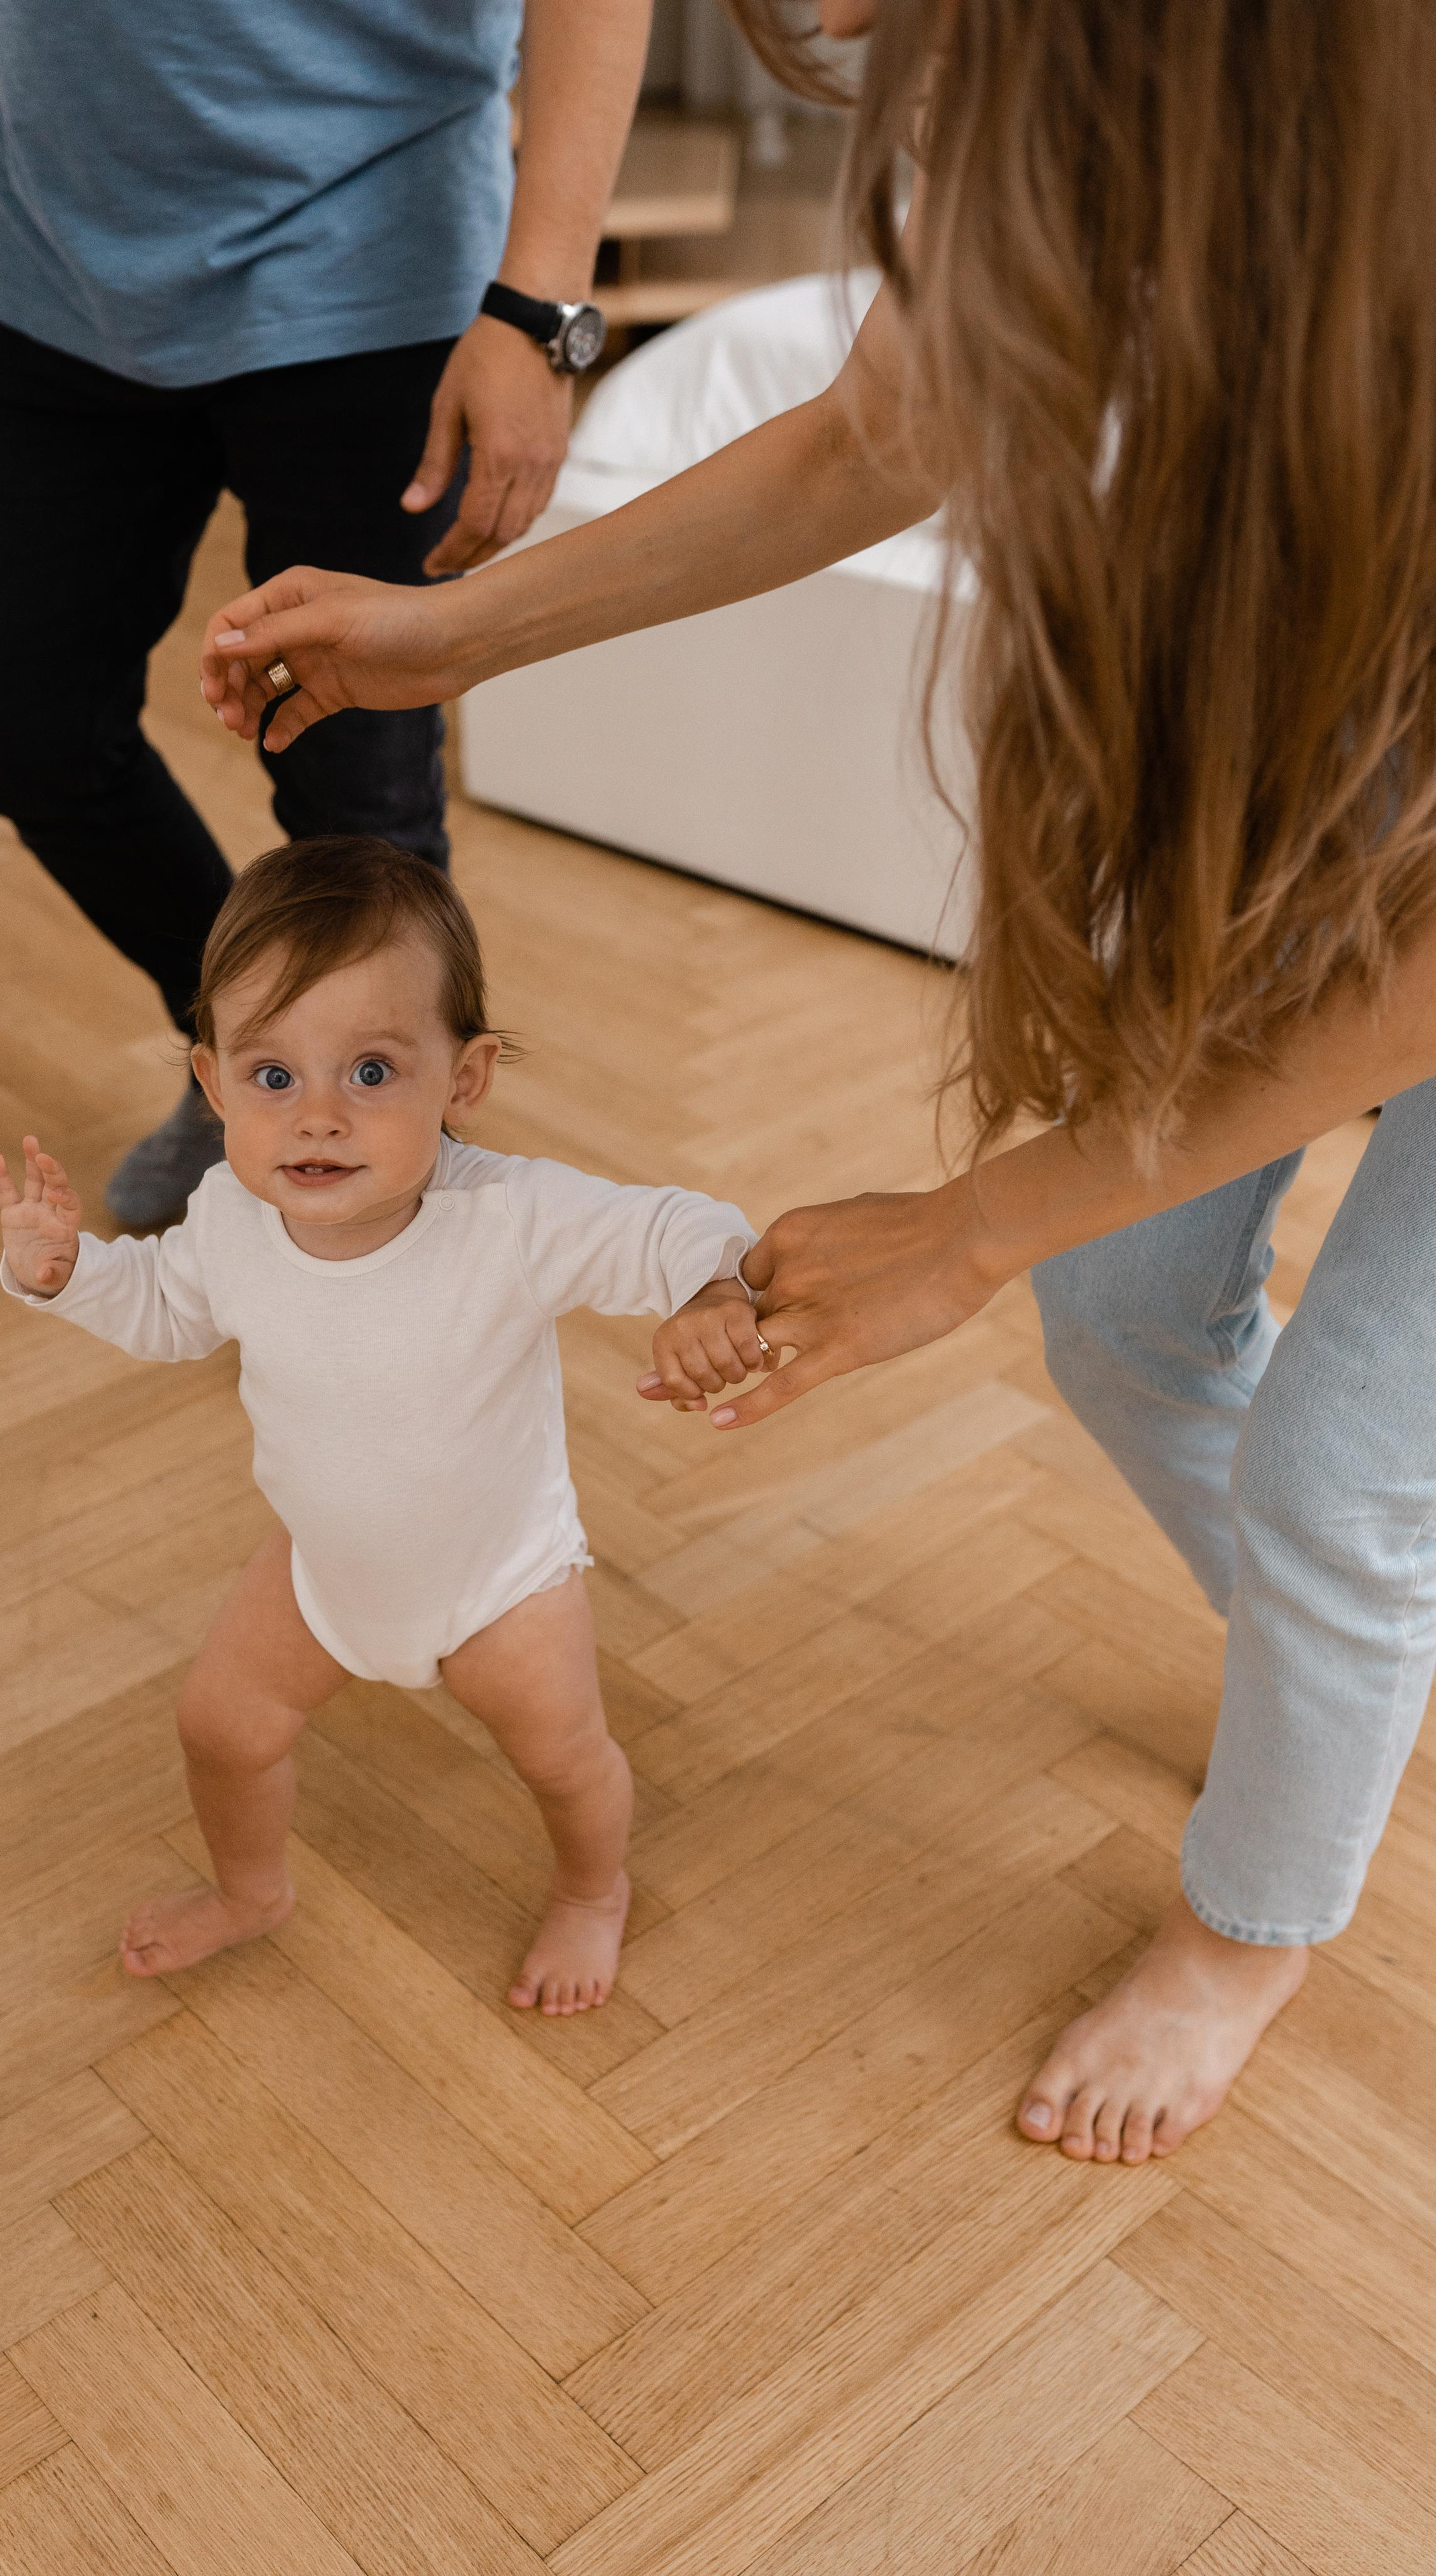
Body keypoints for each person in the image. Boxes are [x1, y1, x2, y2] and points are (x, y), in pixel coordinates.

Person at [193, 0, 1436, 2159]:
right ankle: (1358, 1657)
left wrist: (962, 1228)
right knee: (1132, 1313)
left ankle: (1255, 1921)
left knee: (1348, 1473)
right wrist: (442, 633)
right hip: (1283, 807)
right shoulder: (1080, 130)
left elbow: (1411, 989)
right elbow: (884, 425)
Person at [0, 0, 649, 1224]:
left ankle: (386, 1197)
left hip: (382, 280)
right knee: (21, 735)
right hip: (57, 269)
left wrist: (538, 309)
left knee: (359, 814)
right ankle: (267, 1057)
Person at [0, 837, 767, 2010]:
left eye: (370, 1073)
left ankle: (591, 1891)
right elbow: (164, 1310)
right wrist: (67, 1274)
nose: (317, 1120)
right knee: (220, 1726)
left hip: (501, 1583)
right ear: (211, 1085)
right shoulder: (229, 1218)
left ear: (464, 1079)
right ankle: (252, 1892)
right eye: (272, 1078)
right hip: (322, 1566)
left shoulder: (509, 1218)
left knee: (564, 1761)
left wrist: (713, 1284)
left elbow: (673, 1225)